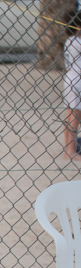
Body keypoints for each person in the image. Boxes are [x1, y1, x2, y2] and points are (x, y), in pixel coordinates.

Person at [63, 10, 81, 161]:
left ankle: (67, 148)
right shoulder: (78, 42)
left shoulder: (69, 40)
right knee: (75, 115)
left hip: (69, 79)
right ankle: (70, 150)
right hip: (77, 81)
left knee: (69, 114)